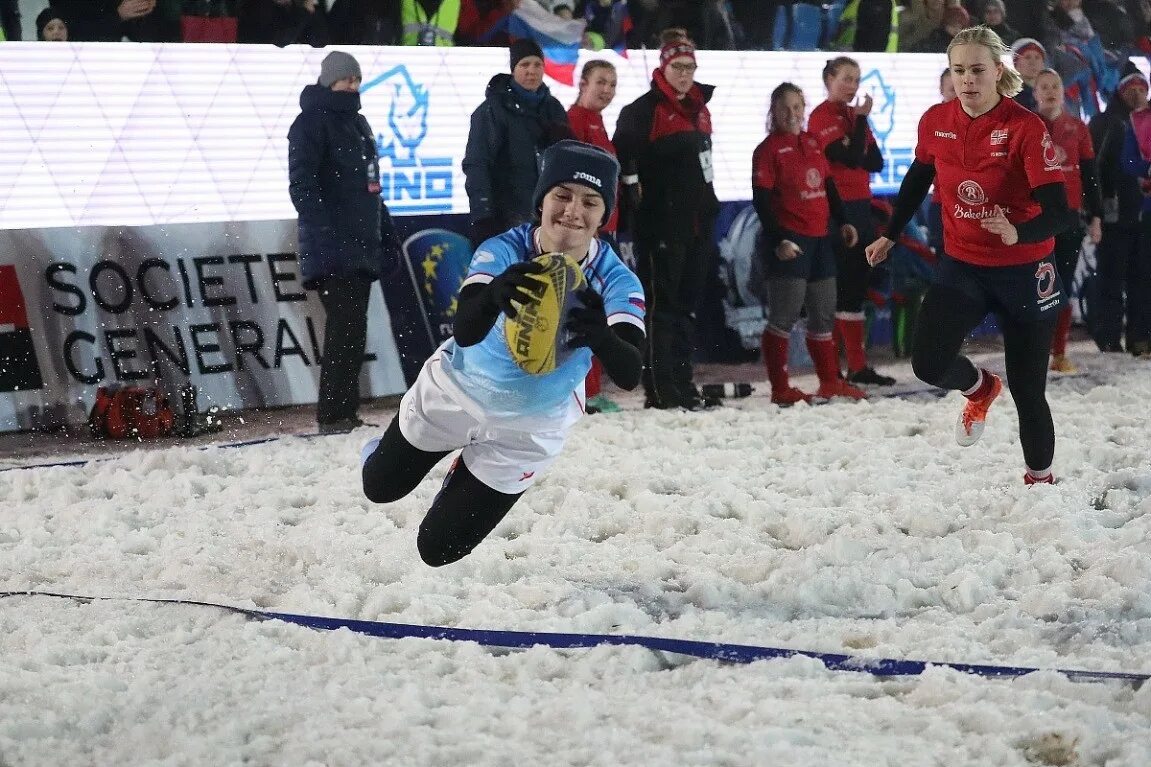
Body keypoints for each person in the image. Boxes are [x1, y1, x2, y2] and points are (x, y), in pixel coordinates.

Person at [361, 140, 645, 567]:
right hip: (455, 392)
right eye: (562, 196)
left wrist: (601, 338)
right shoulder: (504, 250)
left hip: (530, 427)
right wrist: (494, 295)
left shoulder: (617, 280)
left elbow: (630, 373)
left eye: (590, 201)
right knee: (379, 487)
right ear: (541, 201)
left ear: (604, 216)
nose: (573, 210)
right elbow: (467, 331)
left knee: (437, 551)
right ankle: (386, 450)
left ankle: (466, 473)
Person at [865, 25, 1071, 486]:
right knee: (928, 363)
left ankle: (1040, 481)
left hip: (1025, 269)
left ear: (999, 72)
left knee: (1029, 391)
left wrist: (1018, 231)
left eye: (977, 69)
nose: (967, 80)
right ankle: (980, 388)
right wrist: (892, 234)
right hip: (965, 265)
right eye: (958, 70)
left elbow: (1061, 213)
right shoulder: (935, 120)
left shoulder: (1024, 127)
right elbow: (918, 178)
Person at [288, 51, 402, 434]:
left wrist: (385, 234)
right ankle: (333, 414)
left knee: (352, 330)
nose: (352, 86)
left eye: (356, 80)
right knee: (343, 329)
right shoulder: (309, 124)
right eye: (345, 79)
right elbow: (302, 186)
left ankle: (343, 412)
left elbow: (371, 188)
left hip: (360, 243)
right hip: (334, 245)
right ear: (328, 81)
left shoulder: (359, 124)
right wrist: (324, 233)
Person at [614, 38, 720, 411]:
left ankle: (683, 380)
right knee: (662, 306)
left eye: (690, 68)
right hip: (662, 226)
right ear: (662, 68)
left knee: (687, 306)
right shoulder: (643, 111)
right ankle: (659, 386)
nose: (684, 76)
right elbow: (626, 161)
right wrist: (639, 209)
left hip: (696, 224)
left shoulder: (699, 108)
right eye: (677, 68)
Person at [753, 83, 867, 405]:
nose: (792, 113)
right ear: (773, 111)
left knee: (823, 315)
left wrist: (844, 221)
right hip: (791, 240)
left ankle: (830, 382)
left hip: (820, 240)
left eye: (798, 107)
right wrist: (779, 240)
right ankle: (780, 388)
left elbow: (829, 185)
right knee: (784, 317)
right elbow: (761, 201)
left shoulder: (813, 142)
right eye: (785, 107)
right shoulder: (767, 150)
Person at [808, 56, 896, 387]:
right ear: (829, 79)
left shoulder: (852, 117)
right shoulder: (822, 116)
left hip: (861, 203)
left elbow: (873, 160)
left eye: (856, 80)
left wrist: (858, 127)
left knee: (857, 284)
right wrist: (859, 123)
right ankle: (832, 371)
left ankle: (857, 366)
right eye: (846, 78)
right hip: (838, 208)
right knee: (840, 285)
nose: (852, 86)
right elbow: (849, 156)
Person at [463, 38, 572, 248]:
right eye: (524, 65)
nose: (531, 71)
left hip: (550, 219)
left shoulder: (554, 109)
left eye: (537, 65)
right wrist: (483, 214)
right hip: (507, 218)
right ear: (513, 69)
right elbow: (477, 164)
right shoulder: (491, 110)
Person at [1033, 67, 1102, 373]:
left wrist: (1096, 216)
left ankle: (1059, 352)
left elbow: (1090, 174)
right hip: (1033, 220)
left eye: (1055, 86)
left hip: (1067, 219)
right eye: (1044, 87)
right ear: (1035, 94)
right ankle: (1033, 350)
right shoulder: (1027, 126)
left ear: (1063, 91)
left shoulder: (1077, 127)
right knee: (1034, 287)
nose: (1050, 91)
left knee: (1061, 284)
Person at [567, 60, 623, 415]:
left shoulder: (598, 122)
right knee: (582, 310)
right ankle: (581, 392)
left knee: (599, 309)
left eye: (612, 84)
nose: (607, 90)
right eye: (600, 82)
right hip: (586, 233)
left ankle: (592, 389)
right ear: (582, 83)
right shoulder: (573, 122)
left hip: (605, 230)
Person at [1089, 69, 1151, 354]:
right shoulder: (1106, 122)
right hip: (1115, 215)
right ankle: (1109, 337)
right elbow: (1093, 169)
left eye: (1143, 87)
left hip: (1144, 214)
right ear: (1121, 91)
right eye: (1132, 88)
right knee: (1111, 278)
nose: (1138, 93)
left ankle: (1140, 337)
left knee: (1143, 278)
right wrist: (1098, 210)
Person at [1009, 37, 1046, 112]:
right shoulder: (1009, 97)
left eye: (1037, 57)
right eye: (1027, 57)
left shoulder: (1050, 94)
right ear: (1015, 64)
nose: (1033, 62)